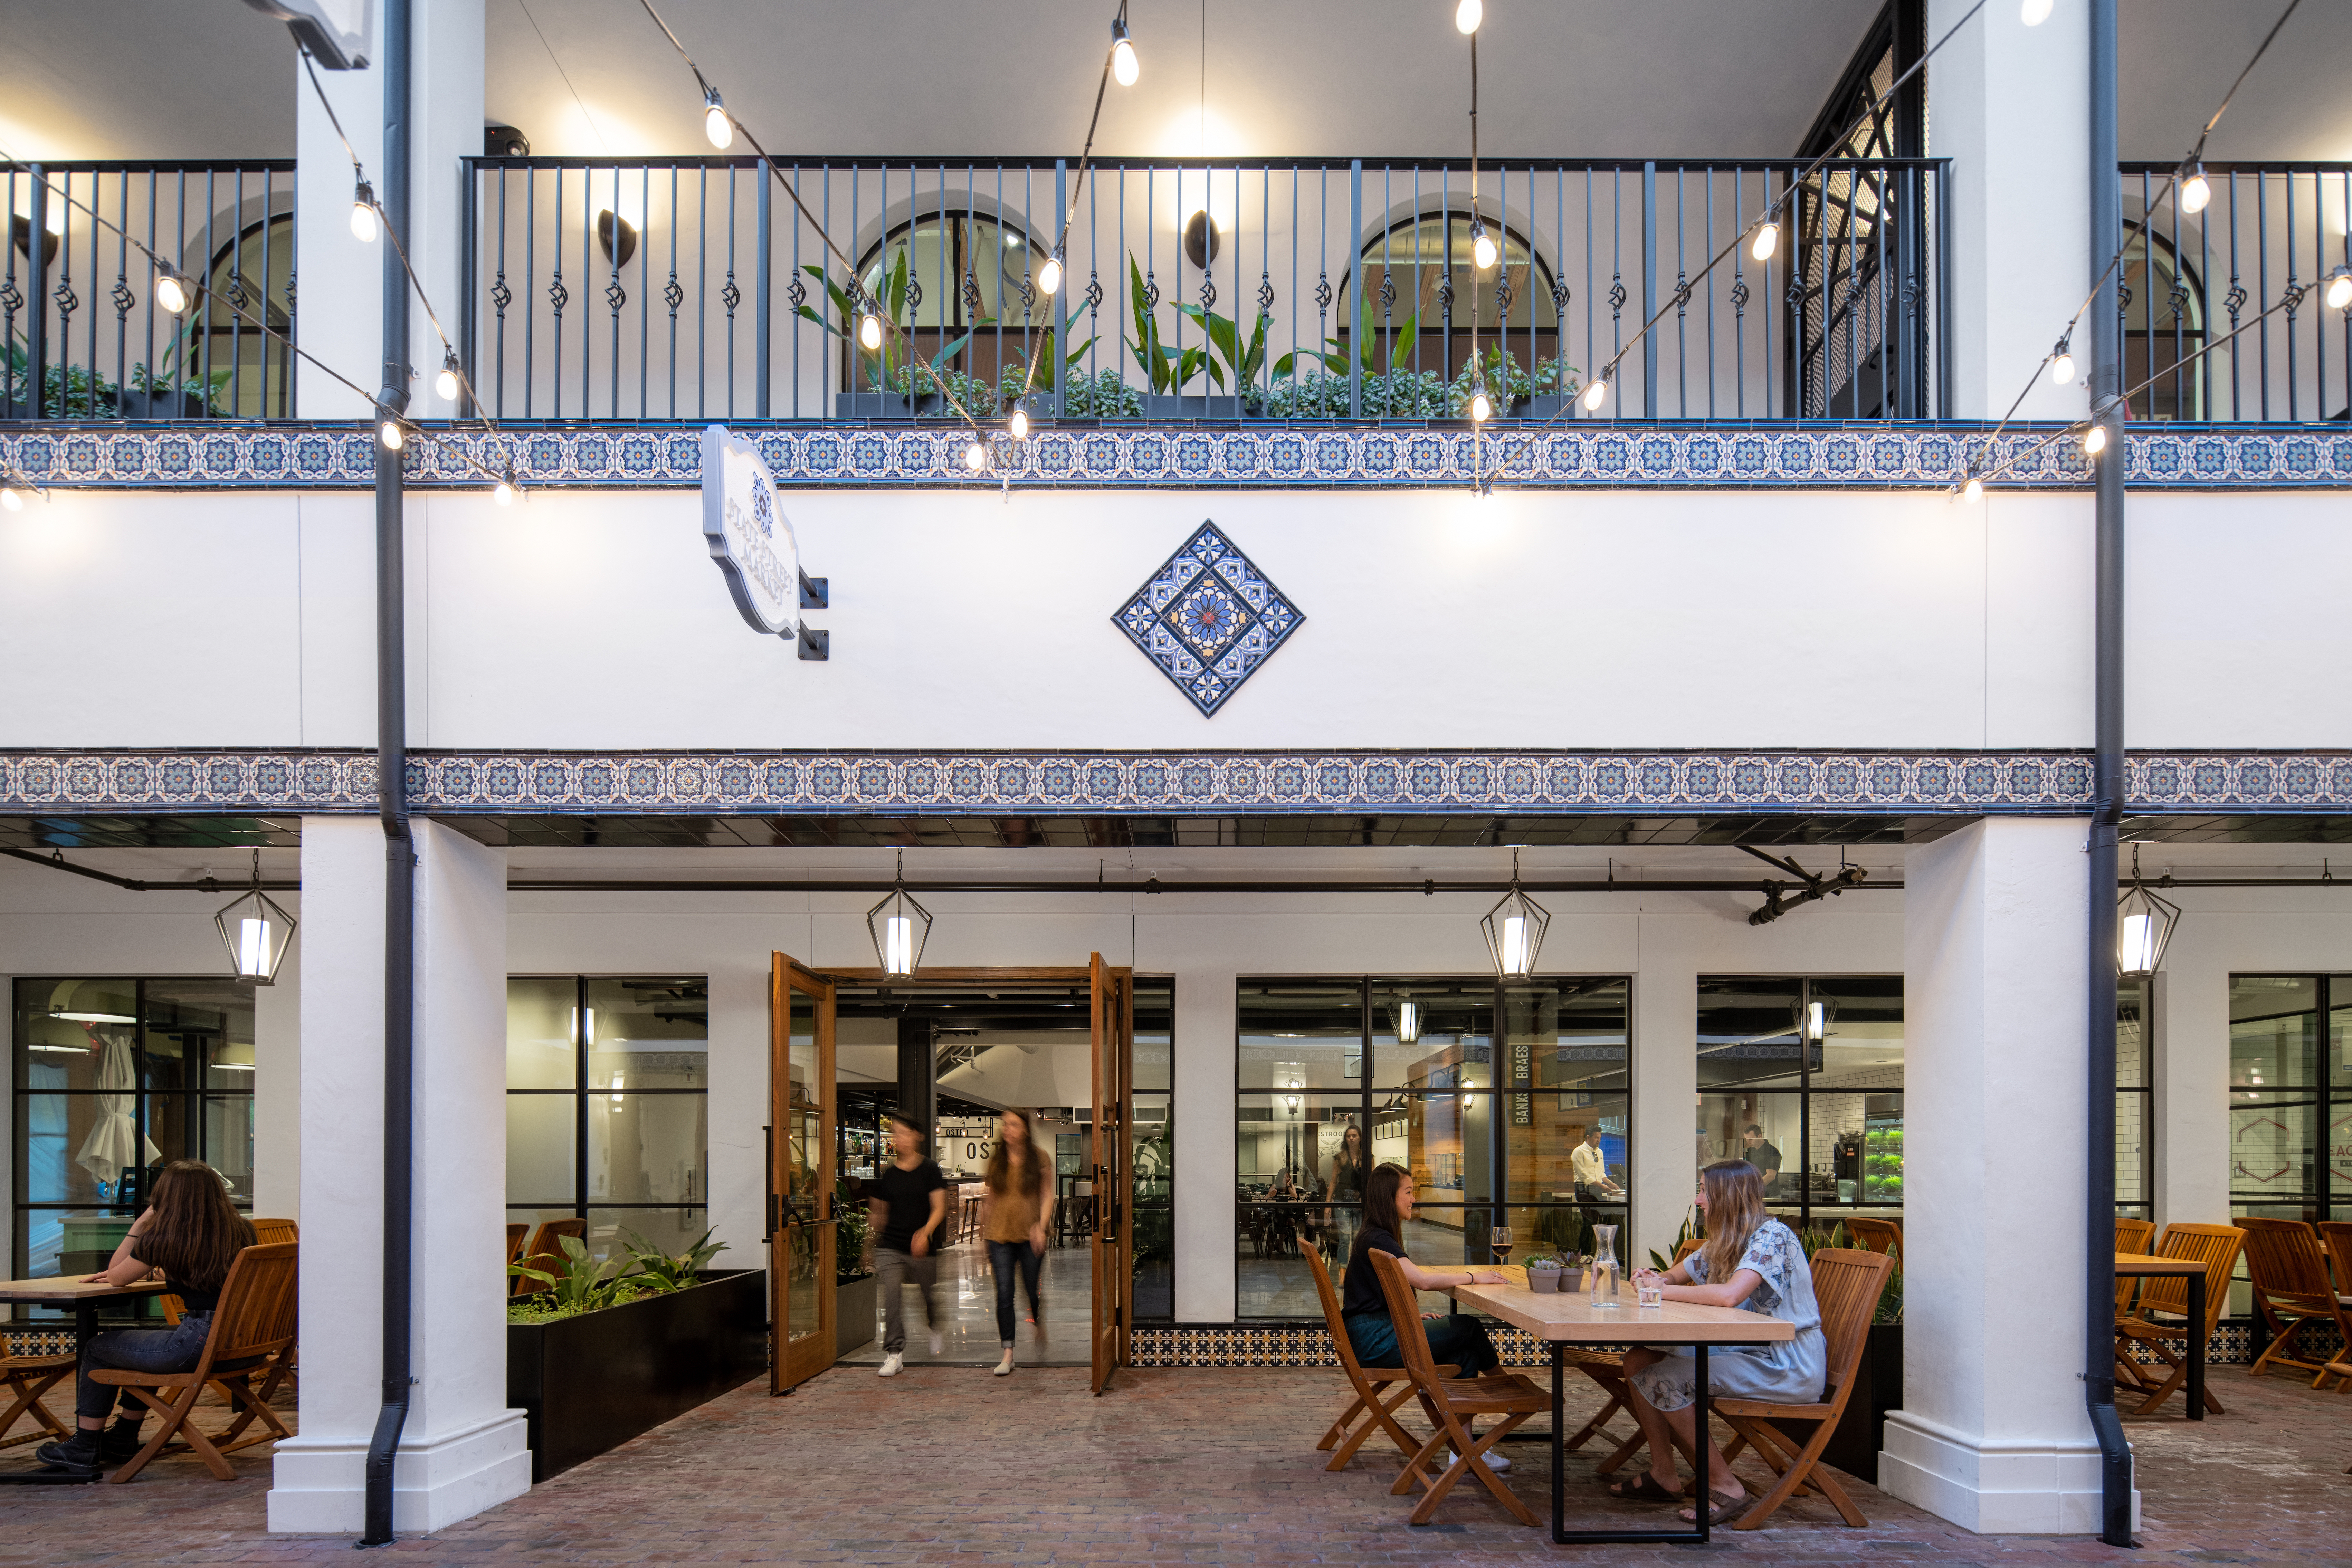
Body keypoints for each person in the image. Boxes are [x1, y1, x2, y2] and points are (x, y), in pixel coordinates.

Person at [1609, 1159, 1826, 1526]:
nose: (1698, 1200)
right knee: (1639, 1359)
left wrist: (1660, 1291)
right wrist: (1652, 1277)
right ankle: (1664, 1473)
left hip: (1785, 1364)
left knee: (1663, 1379)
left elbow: (1728, 1296)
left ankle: (1726, 1485)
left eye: (1703, 1190)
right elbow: (1673, 1276)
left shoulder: (1771, 1237)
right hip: (1747, 1350)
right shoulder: (1725, 1240)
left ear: (1726, 1196)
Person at [40, 1159, 255, 1476]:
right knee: (140, 1348)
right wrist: (158, 1269)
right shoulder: (242, 1231)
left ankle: (84, 1446)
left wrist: (139, 1227)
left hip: (198, 1346)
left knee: (98, 1348)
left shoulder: (166, 1238)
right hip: (242, 1347)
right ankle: (123, 1438)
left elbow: (116, 1277)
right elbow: (210, 1271)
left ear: (166, 1197)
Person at [1339, 1163, 1516, 1473]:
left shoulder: (1374, 1236)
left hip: (1375, 1332)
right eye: (1408, 1192)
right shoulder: (1378, 1239)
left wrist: (1411, 1317)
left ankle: (1462, 1450)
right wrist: (1475, 1276)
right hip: (1374, 1341)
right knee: (1470, 1327)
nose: (1413, 1199)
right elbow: (1422, 1280)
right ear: (1388, 1198)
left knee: (1465, 1354)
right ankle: (1508, 1389)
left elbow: (1377, 1298)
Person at [868, 1114, 948, 1377]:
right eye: (895, 1134)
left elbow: (939, 1208)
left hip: (921, 1246)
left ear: (917, 1136)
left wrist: (925, 1233)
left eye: (904, 1133)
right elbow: (880, 1213)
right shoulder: (888, 1175)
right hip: (891, 1246)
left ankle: (934, 1326)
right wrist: (869, 1241)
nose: (898, 1139)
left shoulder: (929, 1170)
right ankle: (894, 1353)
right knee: (892, 1297)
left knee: (926, 1295)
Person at [980, 1107, 1054, 1376]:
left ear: (1024, 1129)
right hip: (999, 1237)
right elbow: (991, 1200)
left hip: (1029, 1236)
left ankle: (1038, 1322)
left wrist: (1041, 1227)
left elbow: (1047, 1196)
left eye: (1012, 1124)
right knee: (1003, 1293)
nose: (1007, 1129)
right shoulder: (996, 1161)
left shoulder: (1040, 1158)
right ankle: (1008, 1353)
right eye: (1005, 1124)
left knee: (1031, 1290)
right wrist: (983, 1236)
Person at [1571, 1127, 1623, 1199]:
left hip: (1598, 1188)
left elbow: (1601, 1173)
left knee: (1602, 1210)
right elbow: (1583, 1174)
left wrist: (1610, 1183)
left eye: (1600, 1138)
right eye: (1596, 1138)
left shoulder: (1600, 1152)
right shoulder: (1579, 1151)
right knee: (1590, 1210)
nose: (1599, 1140)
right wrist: (1601, 1186)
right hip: (1584, 1188)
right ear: (1588, 1138)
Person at [1739, 1123, 1784, 1197]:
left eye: (1751, 1139)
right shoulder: (1750, 1151)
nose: (1749, 1142)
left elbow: (1770, 1176)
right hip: (1755, 1194)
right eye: (1747, 1140)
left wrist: (1752, 1189)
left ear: (1760, 1136)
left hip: (1771, 1195)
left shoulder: (1773, 1151)